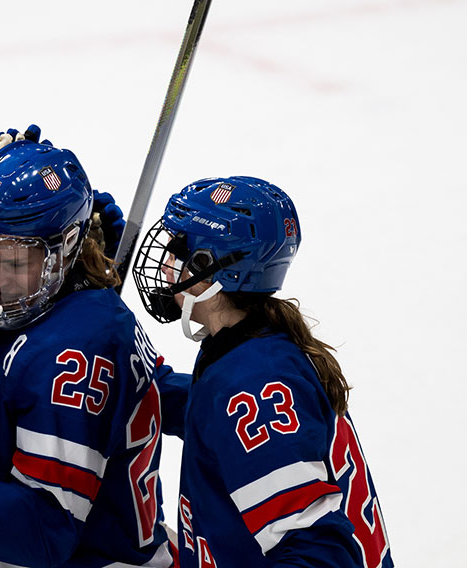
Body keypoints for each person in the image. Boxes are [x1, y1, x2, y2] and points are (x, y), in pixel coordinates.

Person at [0, 141, 174, 567]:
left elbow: (42, 533)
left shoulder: (69, 351)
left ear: (67, 246)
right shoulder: (50, 315)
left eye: (15, 263)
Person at [131, 176, 392, 567]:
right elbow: (213, 419)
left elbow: (317, 554)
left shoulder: (252, 384)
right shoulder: (247, 348)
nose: (166, 263)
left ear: (210, 270)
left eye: (179, 250)